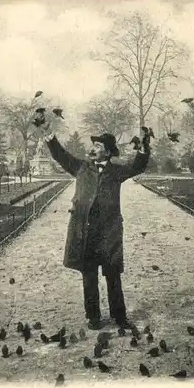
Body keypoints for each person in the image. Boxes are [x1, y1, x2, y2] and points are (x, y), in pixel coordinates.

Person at [33, 109, 151, 330]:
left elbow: (137, 166)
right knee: (89, 275)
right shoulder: (80, 167)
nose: (92, 149)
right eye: (93, 146)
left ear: (107, 153)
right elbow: (59, 154)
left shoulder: (116, 172)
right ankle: (94, 317)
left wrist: (144, 148)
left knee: (112, 275)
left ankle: (119, 316)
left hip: (109, 231)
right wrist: (49, 134)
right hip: (85, 230)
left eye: (98, 147)